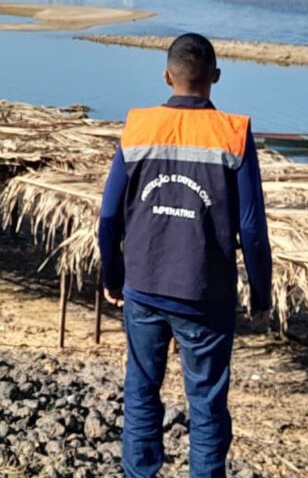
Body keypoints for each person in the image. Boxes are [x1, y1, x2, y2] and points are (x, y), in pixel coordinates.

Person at [98, 32, 272, 478]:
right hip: (205, 295)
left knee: (141, 391)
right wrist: (261, 295)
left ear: (167, 76)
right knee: (207, 404)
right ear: (215, 77)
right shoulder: (233, 134)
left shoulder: (138, 127)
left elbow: (109, 215)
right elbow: (251, 228)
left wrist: (112, 275)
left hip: (144, 287)